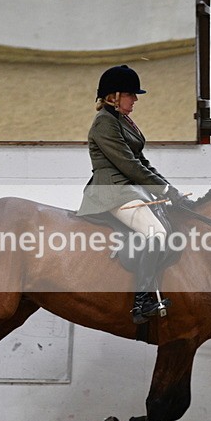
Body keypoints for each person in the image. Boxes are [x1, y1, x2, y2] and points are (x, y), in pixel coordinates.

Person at [76, 65, 188, 324]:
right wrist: (164, 189)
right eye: (130, 94)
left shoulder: (123, 121)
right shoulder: (105, 123)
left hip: (130, 189)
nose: (135, 100)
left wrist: (170, 188)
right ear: (113, 96)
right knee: (156, 233)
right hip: (112, 191)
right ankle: (142, 301)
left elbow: (142, 163)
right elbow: (129, 165)